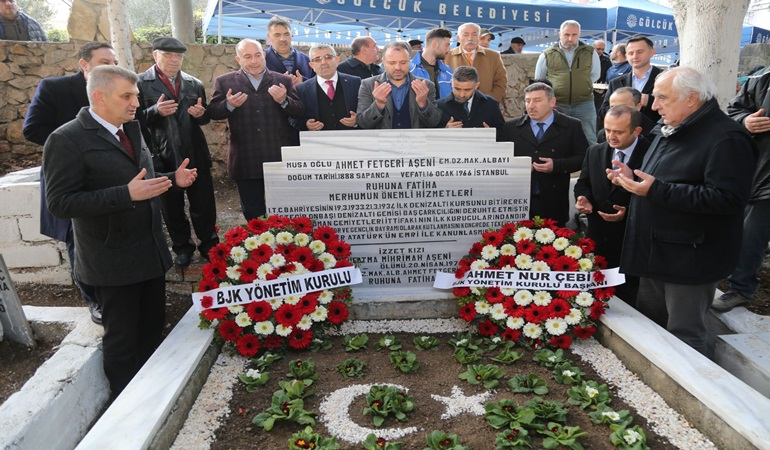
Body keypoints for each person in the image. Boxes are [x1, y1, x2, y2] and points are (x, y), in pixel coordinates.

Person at [43, 64, 198, 396]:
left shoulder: (132, 129)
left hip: (149, 253)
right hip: (111, 261)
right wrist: (124, 195)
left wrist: (173, 179)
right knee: (122, 341)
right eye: (126, 96)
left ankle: (151, 396)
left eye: (136, 96)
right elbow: (60, 203)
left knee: (152, 330)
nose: (135, 103)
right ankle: (125, 409)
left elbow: (141, 182)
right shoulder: (66, 139)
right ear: (99, 97)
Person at [609, 67, 757, 355]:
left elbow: (728, 200)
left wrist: (654, 190)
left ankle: (691, 398)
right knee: (651, 327)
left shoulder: (727, 138)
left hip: (689, 259)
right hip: (656, 252)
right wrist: (636, 179)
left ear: (692, 99)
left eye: (663, 97)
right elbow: (667, 178)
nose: (654, 105)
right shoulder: (672, 126)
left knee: (684, 339)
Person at [23, 41, 118, 324]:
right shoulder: (54, 88)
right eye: (104, 61)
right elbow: (32, 129)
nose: (111, 67)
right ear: (84, 64)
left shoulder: (115, 90)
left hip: (108, 178)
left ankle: (113, 291)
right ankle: (93, 300)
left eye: (113, 62)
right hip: (71, 178)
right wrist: (75, 144)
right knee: (78, 242)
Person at [137, 37, 219, 267]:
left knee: (203, 203)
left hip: (195, 152)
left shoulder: (194, 83)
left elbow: (205, 117)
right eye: (168, 55)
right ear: (155, 56)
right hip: (161, 155)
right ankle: (182, 247)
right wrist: (154, 111)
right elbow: (132, 120)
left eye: (178, 56)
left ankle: (209, 244)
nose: (174, 60)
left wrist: (201, 114)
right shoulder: (140, 83)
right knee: (171, 207)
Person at [207, 39, 303, 220]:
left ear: (264, 55)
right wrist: (228, 105)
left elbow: (299, 111)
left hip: (278, 156)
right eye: (247, 56)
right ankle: (259, 246)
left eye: (258, 55)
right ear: (238, 59)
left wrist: (284, 100)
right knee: (253, 214)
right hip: (245, 157)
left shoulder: (283, 80)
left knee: (284, 212)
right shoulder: (225, 81)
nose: (254, 61)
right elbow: (212, 111)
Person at [574, 105, 650, 306]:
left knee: (628, 296)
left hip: (631, 238)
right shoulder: (595, 151)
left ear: (637, 131)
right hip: (599, 233)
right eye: (607, 130)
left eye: (618, 131)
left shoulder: (651, 153)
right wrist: (583, 198)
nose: (611, 136)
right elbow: (584, 183)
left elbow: (654, 192)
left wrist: (628, 212)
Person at [712, 67, 770, 312]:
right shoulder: (762, 77)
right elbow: (735, 110)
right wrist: (746, 121)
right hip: (755, 169)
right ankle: (734, 281)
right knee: (742, 230)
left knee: (752, 233)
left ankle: (741, 288)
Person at [498, 82, 588, 226]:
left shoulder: (571, 126)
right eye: (527, 101)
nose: (531, 106)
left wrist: (557, 165)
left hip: (554, 201)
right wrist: (519, 167)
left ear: (552, 102)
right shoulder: (511, 128)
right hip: (520, 202)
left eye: (537, 100)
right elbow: (501, 160)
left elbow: (584, 158)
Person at [535, 20, 601, 145]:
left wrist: (581, 85)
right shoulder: (547, 54)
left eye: (574, 35)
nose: (570, 38)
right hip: (558, 103)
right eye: (566, 35)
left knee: (589, 138)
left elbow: (595, 75)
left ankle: (590, 164)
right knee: (556, 138)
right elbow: (540, 79)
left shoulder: (590, 52)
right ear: (560, 34)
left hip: (584, 103)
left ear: (579, 34)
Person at [356, 41, 441, 130]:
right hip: (382, 143)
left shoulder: (426, 85)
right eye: (392, 63)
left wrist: (423, 104)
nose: (398, 67)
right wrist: (378, 105)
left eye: (403, 63)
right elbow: (363, 123)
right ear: (383, 62)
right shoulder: (368, 85)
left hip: (415, 143)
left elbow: (434, 122)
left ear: (409, 61)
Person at [294, 44, 361, 131]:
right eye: (317, 59)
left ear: (337, 60)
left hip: (352, 140)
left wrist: (357, 120)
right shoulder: (301, 89)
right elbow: (294, 119)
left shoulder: (355, 83)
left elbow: (365, 111)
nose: (323, 62)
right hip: (318, 142)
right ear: (311, 65)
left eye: (328, 57)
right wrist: (306, 125)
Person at [599, 35, 662, 124]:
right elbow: (602, 112)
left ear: (651, 52)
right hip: (621, 134)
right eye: (630, 53)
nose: (635, 56)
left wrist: (649, 101)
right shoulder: (616, 82)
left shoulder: (665, 79)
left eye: (640, 52)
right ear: (626, 56)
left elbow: (674, 108)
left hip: (653, 135)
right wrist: (620, 105)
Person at [445, 22, 507, 106]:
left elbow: (501, 82)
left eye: (474, 35)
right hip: (454, 107)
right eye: (465, 35)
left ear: (479, 37)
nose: (470, 38)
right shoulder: (447, 56)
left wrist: (490, 102)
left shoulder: (493, 56)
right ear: (458, 38)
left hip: (485, 107)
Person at [437, 66, 504, 130]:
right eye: (457, 89)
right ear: (451, 83)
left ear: (476, 86)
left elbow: (503, 135)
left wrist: (491, 133)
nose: (462, 94)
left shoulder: (491, 105)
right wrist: (444, 130)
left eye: (467, 90)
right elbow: (430, 137)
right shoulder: (439, 107)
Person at [264, 15, 313, 85]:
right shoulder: (261, 60)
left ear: (291, 34)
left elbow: (317, 85)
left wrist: (303, 82)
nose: (283, 39)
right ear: (269, 36)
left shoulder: (307, 60)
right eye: (277, 35)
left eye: (286, 34)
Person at [409, 27, 453, 99]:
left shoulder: (448, 71)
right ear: (434, 44)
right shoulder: (409, 70)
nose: (449, 49)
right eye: (447, 45)